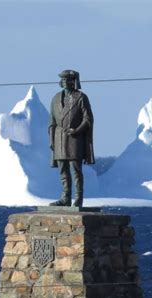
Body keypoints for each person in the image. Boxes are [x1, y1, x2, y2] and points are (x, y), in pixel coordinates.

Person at [48, 70, 95, 207]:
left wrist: (77, 130)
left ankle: (78, 198)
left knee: (76, 170)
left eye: (67, 79)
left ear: (73, 81)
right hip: (59, 139)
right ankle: (65, 198)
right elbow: (51, 121)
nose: (64, 82)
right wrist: (51, 139)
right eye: (62, 79)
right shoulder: (56, 98)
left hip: (75, 140)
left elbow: (88, 119)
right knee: (62, 169)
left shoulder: (81, 97)